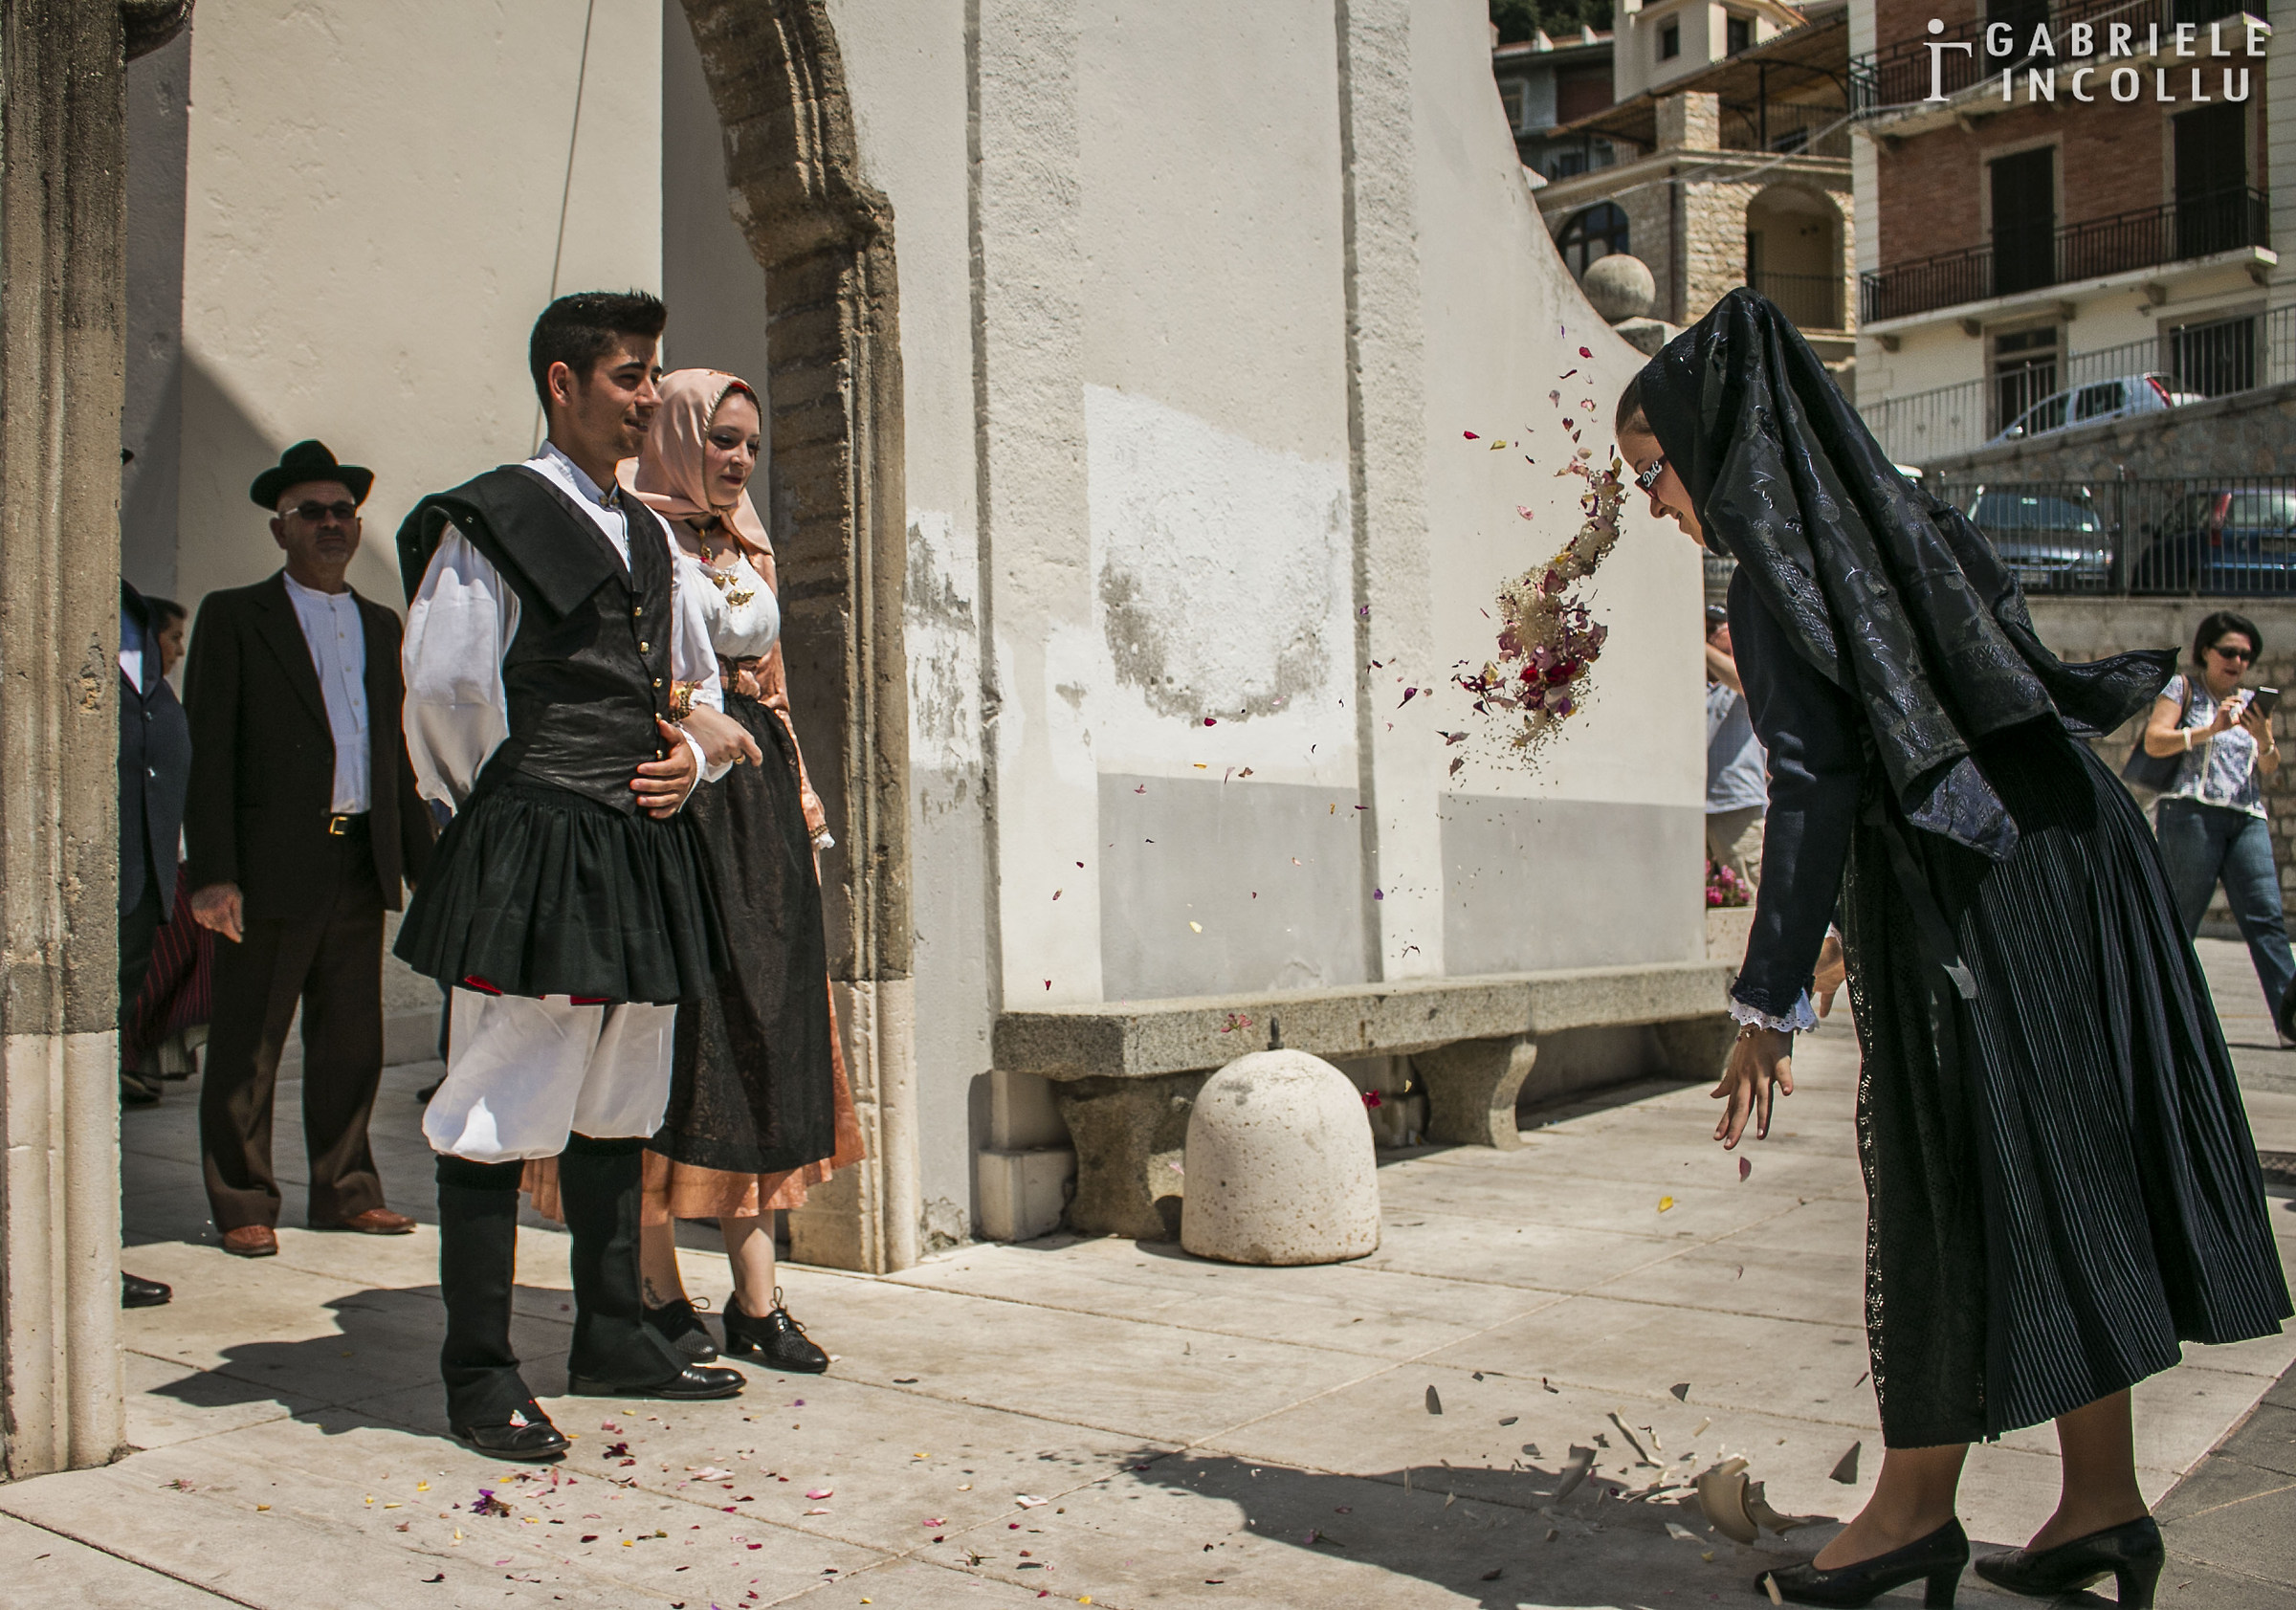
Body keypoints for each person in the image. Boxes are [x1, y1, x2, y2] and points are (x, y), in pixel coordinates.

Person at [1616, 289, 2288, 1609]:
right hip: (2071, 859)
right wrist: (1831, 956)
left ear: (1717, 444)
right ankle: (2100, 1498)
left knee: (1947, 1177)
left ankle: (1914, 1510)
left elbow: (1812, 788)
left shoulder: (1775, 583)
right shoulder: (1910, 521)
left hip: (1972, 896)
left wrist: (1765, 1002)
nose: (1650, 502)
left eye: (1653, 471)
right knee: (2066, 1161)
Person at [394, 292, 757, 1460]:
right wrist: (500, 818)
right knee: (501, 1101)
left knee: (620, 1095)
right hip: (539, 845)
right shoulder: (494, 516)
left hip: (640, 848)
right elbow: (449, 689)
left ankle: (612, 1335)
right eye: (629, 377)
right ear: (564, 383)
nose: (649, 396)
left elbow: (697, 687)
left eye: (653, 376)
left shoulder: (652, 534)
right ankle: (479, 1371)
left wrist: (690, 759)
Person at [522, 370, 862, 1373]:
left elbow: (775, 694)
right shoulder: (637, 536)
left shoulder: (740, 542)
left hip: (754, 811)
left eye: (750, 444)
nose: (737, 461)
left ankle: (758, 1298)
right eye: (720, 440)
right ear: (676, 435)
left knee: (761, 1034)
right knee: (677, 1042)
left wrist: (799, 807)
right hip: (675, 799)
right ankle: (661, 1288)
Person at [184, 442, 435, 1256]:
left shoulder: (377, 622)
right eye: (312, 513)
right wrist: (215, 873)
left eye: (342, 512)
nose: (331, 524)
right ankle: (243, 1197)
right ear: (279, 528)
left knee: (351, 1039)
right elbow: (209, 751)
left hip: (357, 856)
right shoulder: (234, 615)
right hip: (267, 866)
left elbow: (395, 750)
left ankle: (347, 1189)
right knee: (251, 1041)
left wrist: (424, 862)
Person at [2137, 611, 2294, 1042]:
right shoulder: (2183, 689)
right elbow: (2155, 738)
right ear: (2206, 651)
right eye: (2228, 652)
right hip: (2191, 813)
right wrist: (2211, 729)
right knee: (2180, 920)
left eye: (2246, 655)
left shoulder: (2253, 704)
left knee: (2266, 921)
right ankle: (2156, 1017)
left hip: (2246, 817)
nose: (2238, 662)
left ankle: (2291, 1020)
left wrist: (2264, 738)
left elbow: (2269, 769)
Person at [119, 582, 188, 1308]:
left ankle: (89, 1250)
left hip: (137, 881)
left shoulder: (132, 609)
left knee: (102, 1077)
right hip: (84, 876)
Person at [1705, 603, 1766, 891]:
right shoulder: (1701, 684)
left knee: (1753, 896)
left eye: (1714, 628)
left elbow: (1740, 680)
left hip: (1737, 806)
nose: (1709, 634)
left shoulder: (1748, 671)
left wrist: (1699, 646)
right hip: (1700, 809)